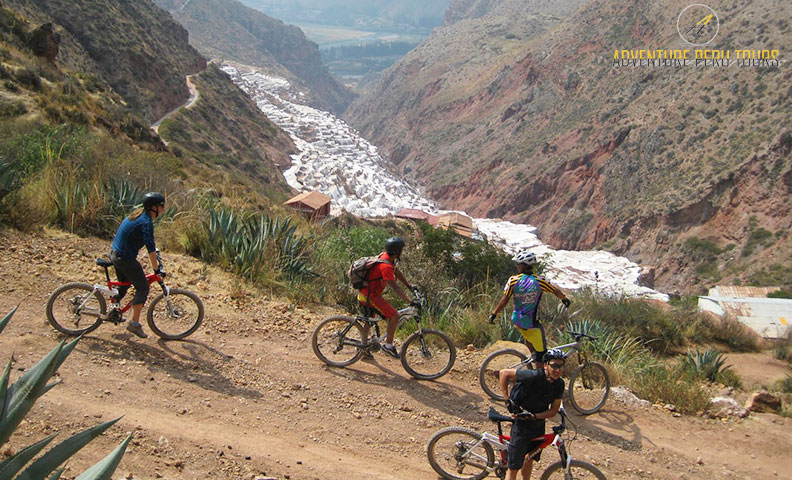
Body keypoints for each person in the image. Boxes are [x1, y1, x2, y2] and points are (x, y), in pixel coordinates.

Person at [488, 251, 570, 368]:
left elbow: (504, 300)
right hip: (532, 323)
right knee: (542, 355)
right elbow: (555, 290)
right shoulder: (540, 281)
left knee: (529, 337)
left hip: (517, 321)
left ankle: (533, 357)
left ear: (523, 266)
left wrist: (494, 314)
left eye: (518, 264)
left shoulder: (513, 280)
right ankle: (538, 373)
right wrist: (565, 299)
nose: (517, 266)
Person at [499, 349, 566, 480]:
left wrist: (535, 417)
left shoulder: (559, 384)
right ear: (546, 365)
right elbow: (504, 373)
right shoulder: (533, 376)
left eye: (561, 366)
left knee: (529, 459)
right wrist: (507, 400)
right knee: (513, 468)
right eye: (554, 365)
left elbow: (553, 411)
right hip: (521, 426)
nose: (558, 370)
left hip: (538, 425)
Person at [109, 192, 166, 338]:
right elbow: (150, 249)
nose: (163, 209)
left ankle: (113, 312)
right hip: (124, 258)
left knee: (125, 284)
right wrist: (156, 269)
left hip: (116, 254)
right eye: (161, 206)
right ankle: (134, 324)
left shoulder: (137, 215)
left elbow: (150, 245)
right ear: (154, 207)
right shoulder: (146, 222)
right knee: (143, 288)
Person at [357, 236, 417, 359]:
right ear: (397, 251)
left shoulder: (385, 258)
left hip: (366, 294)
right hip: (370, 297)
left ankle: (363, 348)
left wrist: (409, 286)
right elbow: (395, 287)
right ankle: (388, 346)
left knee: (369, 321)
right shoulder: (386, 266)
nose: (402, 251)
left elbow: (396, 271)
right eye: (401, 250)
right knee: (395, 316)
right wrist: (410, 301)